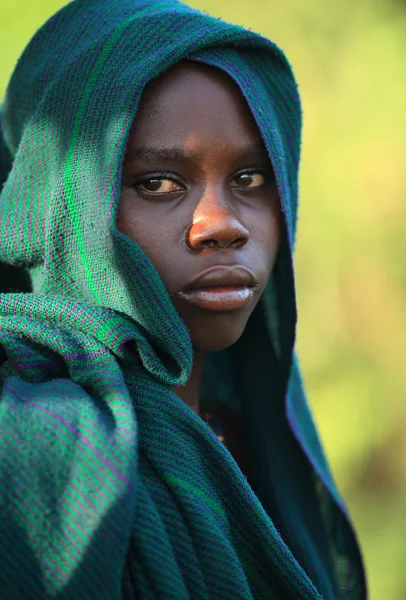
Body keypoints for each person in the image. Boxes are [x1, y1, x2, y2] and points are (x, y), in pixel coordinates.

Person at [0, 0, 366, 598]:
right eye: (158, 184)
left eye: (250, 179)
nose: (222, 224)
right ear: (55, 205)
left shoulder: (258, 434)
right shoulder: (35, 448)